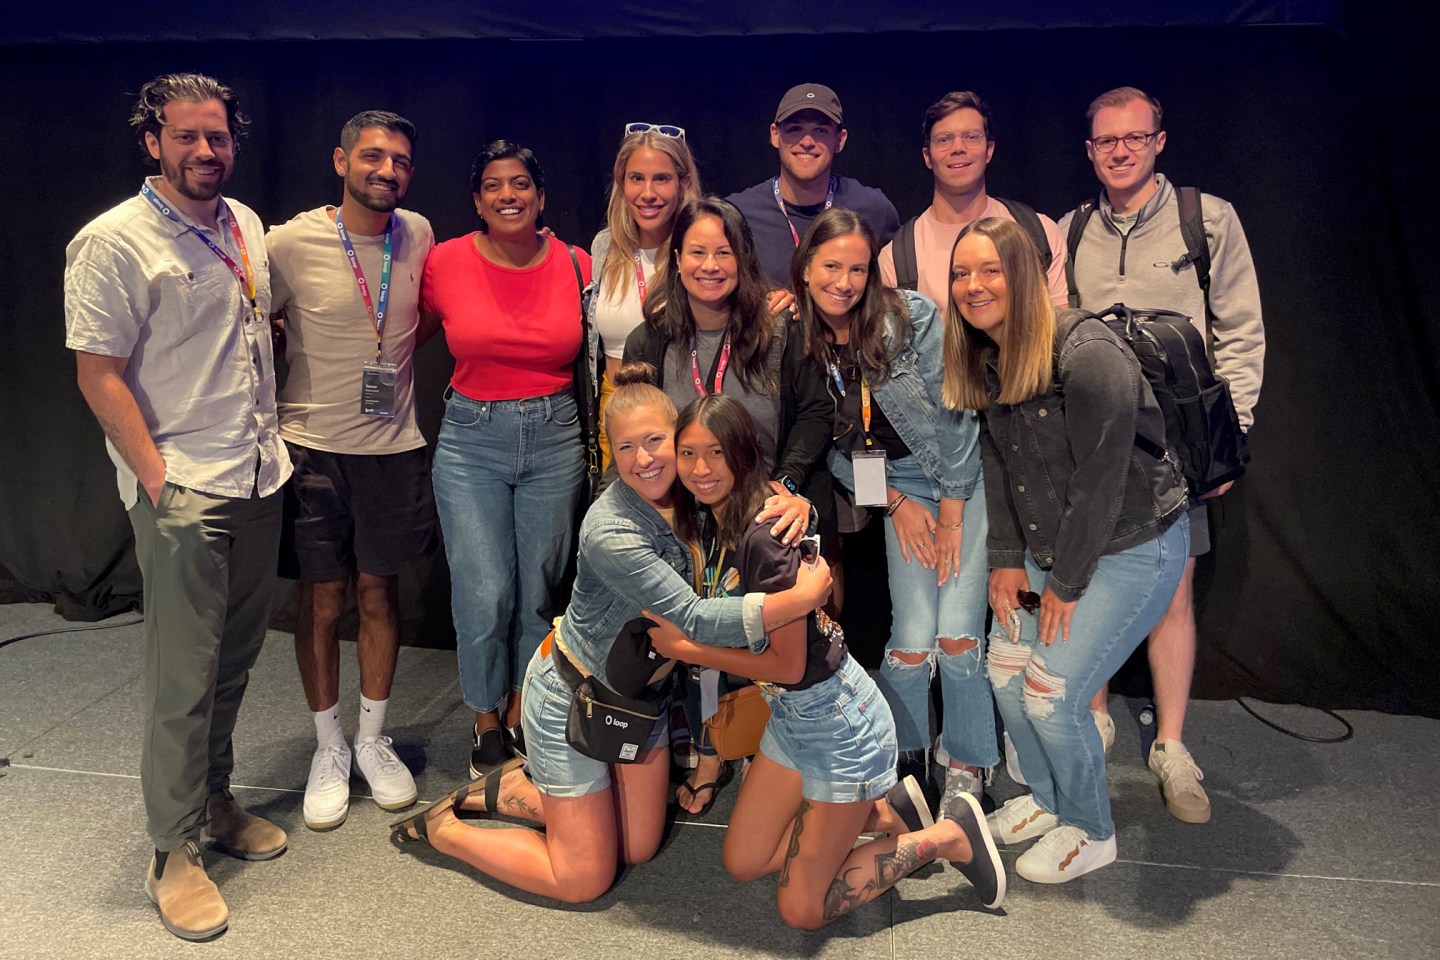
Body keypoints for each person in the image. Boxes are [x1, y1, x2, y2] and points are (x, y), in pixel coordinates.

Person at [389, 364, 833, 904]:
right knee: (584, 878)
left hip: (639, 699)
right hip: (574, 698)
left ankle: (517, 787)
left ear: (678, 441)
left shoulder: (693, 490)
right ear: (610, 452)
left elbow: (750, 489)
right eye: (626, 448)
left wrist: (797, 501)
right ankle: (445, 828)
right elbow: (692, 618)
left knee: (638, 847)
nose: (644, 460)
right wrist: (801, 599)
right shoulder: (610, 530)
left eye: (655, 442)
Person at [64, 72, 289, 941]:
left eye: (218, 136)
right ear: (152, 140)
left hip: (257, 475)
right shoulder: (112, 241)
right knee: (180, 680)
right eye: (187, 136)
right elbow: (98, 375)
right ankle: (170, 849)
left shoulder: (246, 225)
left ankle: (215, 801)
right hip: (186, 489)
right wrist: (159, 482)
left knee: (232, 664)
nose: (205, 150)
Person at [642, 393, 1004, 928]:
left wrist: (685, 649)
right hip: (793, 719)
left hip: (839, 728)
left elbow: (788, 667)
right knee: (744, 861)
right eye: (689, 454)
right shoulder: (723, 515)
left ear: (743, 452)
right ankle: (891, 812)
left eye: (716, 452)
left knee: (802, 909)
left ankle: (951, 836)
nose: (701, 469)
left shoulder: (762, 537)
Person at [944, 217, 1189, 882]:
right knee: (1006, 671)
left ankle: (1091, 828)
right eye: (961, 273)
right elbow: (998, 460)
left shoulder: (1087, 352)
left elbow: (1100, 485)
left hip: (1131, 546)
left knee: (1050, 692)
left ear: (1024, 275)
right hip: (1053, 545)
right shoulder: (990, 355)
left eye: (990, 270)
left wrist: (1066, 585)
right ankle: (1049, 801)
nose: (973, 285)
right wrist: (1004, 559)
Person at [1058, 86, 1265, 824]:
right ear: (1090, 150)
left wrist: (1228, 437)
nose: (1120, 151)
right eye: (1106, 141)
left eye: (1134, 138)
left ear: (1159, 141)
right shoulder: (1071, 229)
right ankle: (1094, 718)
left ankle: (1172, 745)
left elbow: (1241, 330)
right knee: (1085, 581)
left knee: (1172, 592)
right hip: (1094, 441)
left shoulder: (1205, 220)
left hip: (1179, 442)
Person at [623, 195, 831, 812]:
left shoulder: (780, 328)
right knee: (697, 638)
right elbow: (634, 428)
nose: (710, 265)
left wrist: (788, 485)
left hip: (759, 515)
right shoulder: (651, 336)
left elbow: (816, 412)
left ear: (743, 258)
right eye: (696, 252)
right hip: (685, 514)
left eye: (724, 252)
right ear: (676, 259)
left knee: (768, 640)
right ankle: (711, 752)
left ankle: (778, 752)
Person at [266, 110, 435, 831]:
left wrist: (388, 357)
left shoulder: (417, 233)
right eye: (372, 156)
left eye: (399, 160)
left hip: (392, 449)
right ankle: (328, 746)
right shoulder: (288, 242)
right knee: (321, 600)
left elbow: (424, 318)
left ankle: (370, 740)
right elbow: (255, 325)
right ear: (341, 161)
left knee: (378, 594)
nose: (386, 170)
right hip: (311, 448)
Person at [793, 206, 994, 814]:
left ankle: (967, 764)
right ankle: (907, 755)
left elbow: (958, 414)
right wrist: (896, 502)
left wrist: (952, 512)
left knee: (956, 637)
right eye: (832, 266)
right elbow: (830, 451)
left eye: (858, 268)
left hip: (962, 482)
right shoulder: (801, 343)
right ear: (806, 268)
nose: (844, 282)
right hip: (896, 489)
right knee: (909, 642)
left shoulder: (909, 317)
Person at [420, 141, 590, 779]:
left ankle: (522, 707)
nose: (508, 195)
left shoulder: (576, 262)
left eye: (520, 183)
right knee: (484, 590)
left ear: (541, 196)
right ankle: (485, 716)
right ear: (477, 200)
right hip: (472, 439)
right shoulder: (445, 262)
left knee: (538, 591)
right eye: (493, 185)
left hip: (556, 435)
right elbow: (396, 334)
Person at [879, 90, 1068, 309]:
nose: (958, 148)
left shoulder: (1039, 232)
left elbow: (1059, 324)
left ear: (989, 150)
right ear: (927, 156)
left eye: (971, 137)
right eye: (944, 140)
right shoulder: (895, 259)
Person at [588, 125, 703, 468]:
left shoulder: (700, 249)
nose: (648, 193)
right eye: (636, 178)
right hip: (618, 409)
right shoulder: (604, 248)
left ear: (683, 183)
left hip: (684, 407)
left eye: (661, 179)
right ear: (621, 182)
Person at [726, 83, 900, 287]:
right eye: (795, 129)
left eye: (820, 130)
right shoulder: (738, 214)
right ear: (775, 135)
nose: (807, 141)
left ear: (840, 140)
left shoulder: (874, 209)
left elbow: (894, 293)